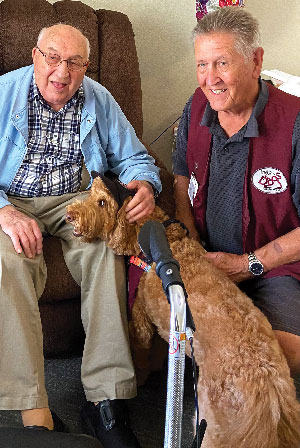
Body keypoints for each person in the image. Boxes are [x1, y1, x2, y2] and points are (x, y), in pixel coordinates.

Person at [0, 23, 161, 448]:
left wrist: (144, 184)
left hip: (76, 198)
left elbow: (134, 157)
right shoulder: (4, 93)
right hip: (11, 198)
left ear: (85, 66)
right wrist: (5, 212)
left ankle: (105, 399)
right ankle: (30, 406)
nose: (61, 71)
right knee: (10, 259)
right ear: (35, 56)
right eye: (52, 57)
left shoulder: (98, 98)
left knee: (105, 253)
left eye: (73, 62)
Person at [173, 7, 300, 376]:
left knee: (278, 357)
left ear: (256, 61)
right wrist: (191, 239)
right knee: (199, 344)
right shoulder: (196, 106)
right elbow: (181, 177)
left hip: (276, 269)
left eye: (222, 63)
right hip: (207, 262)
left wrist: (248, 264)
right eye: (201, 64)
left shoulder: (294, 123)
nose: (209, 78)